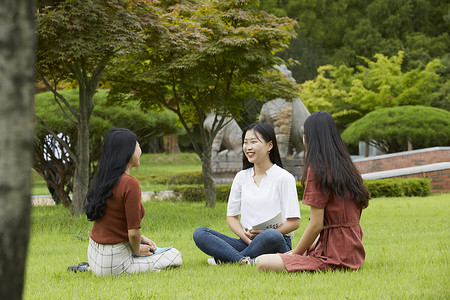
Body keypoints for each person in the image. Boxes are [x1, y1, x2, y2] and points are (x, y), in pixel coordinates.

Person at [257, 112, 370, 272]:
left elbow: (316, 225)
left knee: (262, 262)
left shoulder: (317, 170)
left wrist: (295, 254)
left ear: (310, 137)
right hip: (354, 253)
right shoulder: (348, 168)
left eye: (304, 134)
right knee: (281, 255)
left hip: (333, 256)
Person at [193, 122, 300, 265]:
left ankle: (228, 259)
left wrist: (263, 234)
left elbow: (294, 222)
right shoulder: (241, 177)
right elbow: (231, 218)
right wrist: (247, 239)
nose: (248, 147)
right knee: (200, 233)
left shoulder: (284, 177)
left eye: (254, 142)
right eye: (245, 142)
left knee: (271, 235)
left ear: (270, 145)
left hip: (276, 241)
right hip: (246, 241)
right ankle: (244, 260)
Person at [83, 128, 182, 276]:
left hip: (94, 255)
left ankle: (89, 268)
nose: (140, 150)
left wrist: (141, 240)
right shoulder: (130, 183)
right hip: (114, 264)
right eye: (138, 146)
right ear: (128, 153)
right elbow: (133, 233)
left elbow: (113, 224)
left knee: (151, 250)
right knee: (175, 255)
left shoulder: (104, 179)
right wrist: (137, 250)